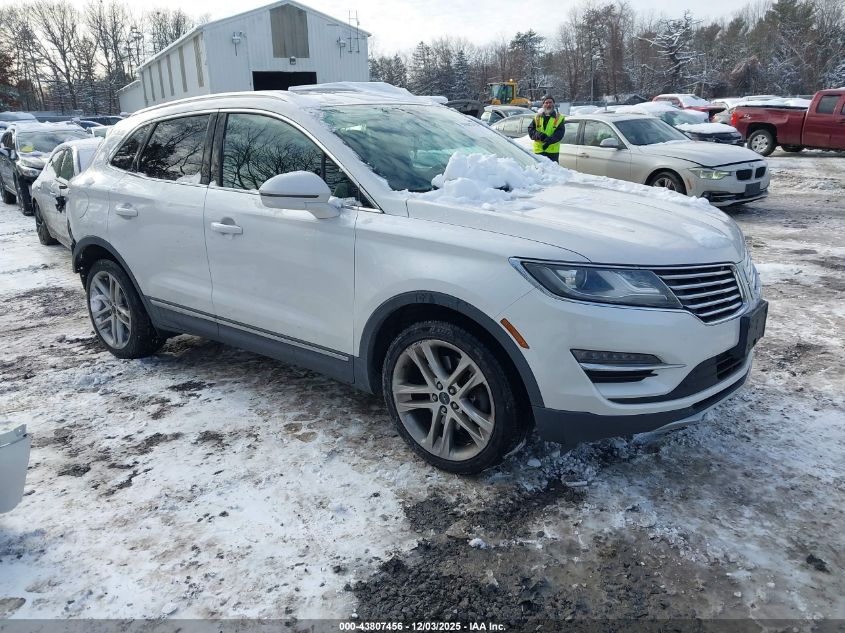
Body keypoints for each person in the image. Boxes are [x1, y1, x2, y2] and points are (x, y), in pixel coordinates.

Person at [527, 96, 566, 162]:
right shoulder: (537, 117)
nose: (548, 105)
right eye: (546, 103)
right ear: (543, 105)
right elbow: (531, 130)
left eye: (550, 102)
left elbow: (560, 133)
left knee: (552, 171)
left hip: (552, 153)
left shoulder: (559, 118)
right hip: (538, 151)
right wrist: (540, 135)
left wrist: (549, 141)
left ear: (554, 104)